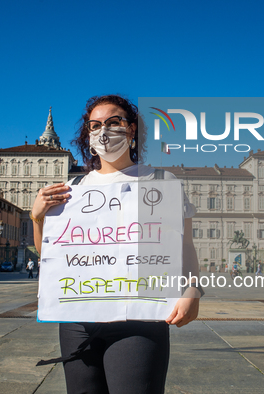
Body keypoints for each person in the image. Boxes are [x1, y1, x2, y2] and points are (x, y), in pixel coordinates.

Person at [31, 94, 201, 394]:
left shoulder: (161, 181)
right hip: (78, 322)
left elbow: (184, 246)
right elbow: (53, 257)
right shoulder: (72, 190)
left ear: (131, 130)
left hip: (141, 319)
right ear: (88, 135)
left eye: (114, 122)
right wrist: (37, 219)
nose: (103, 131)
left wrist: (192, 291)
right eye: (95, 125)